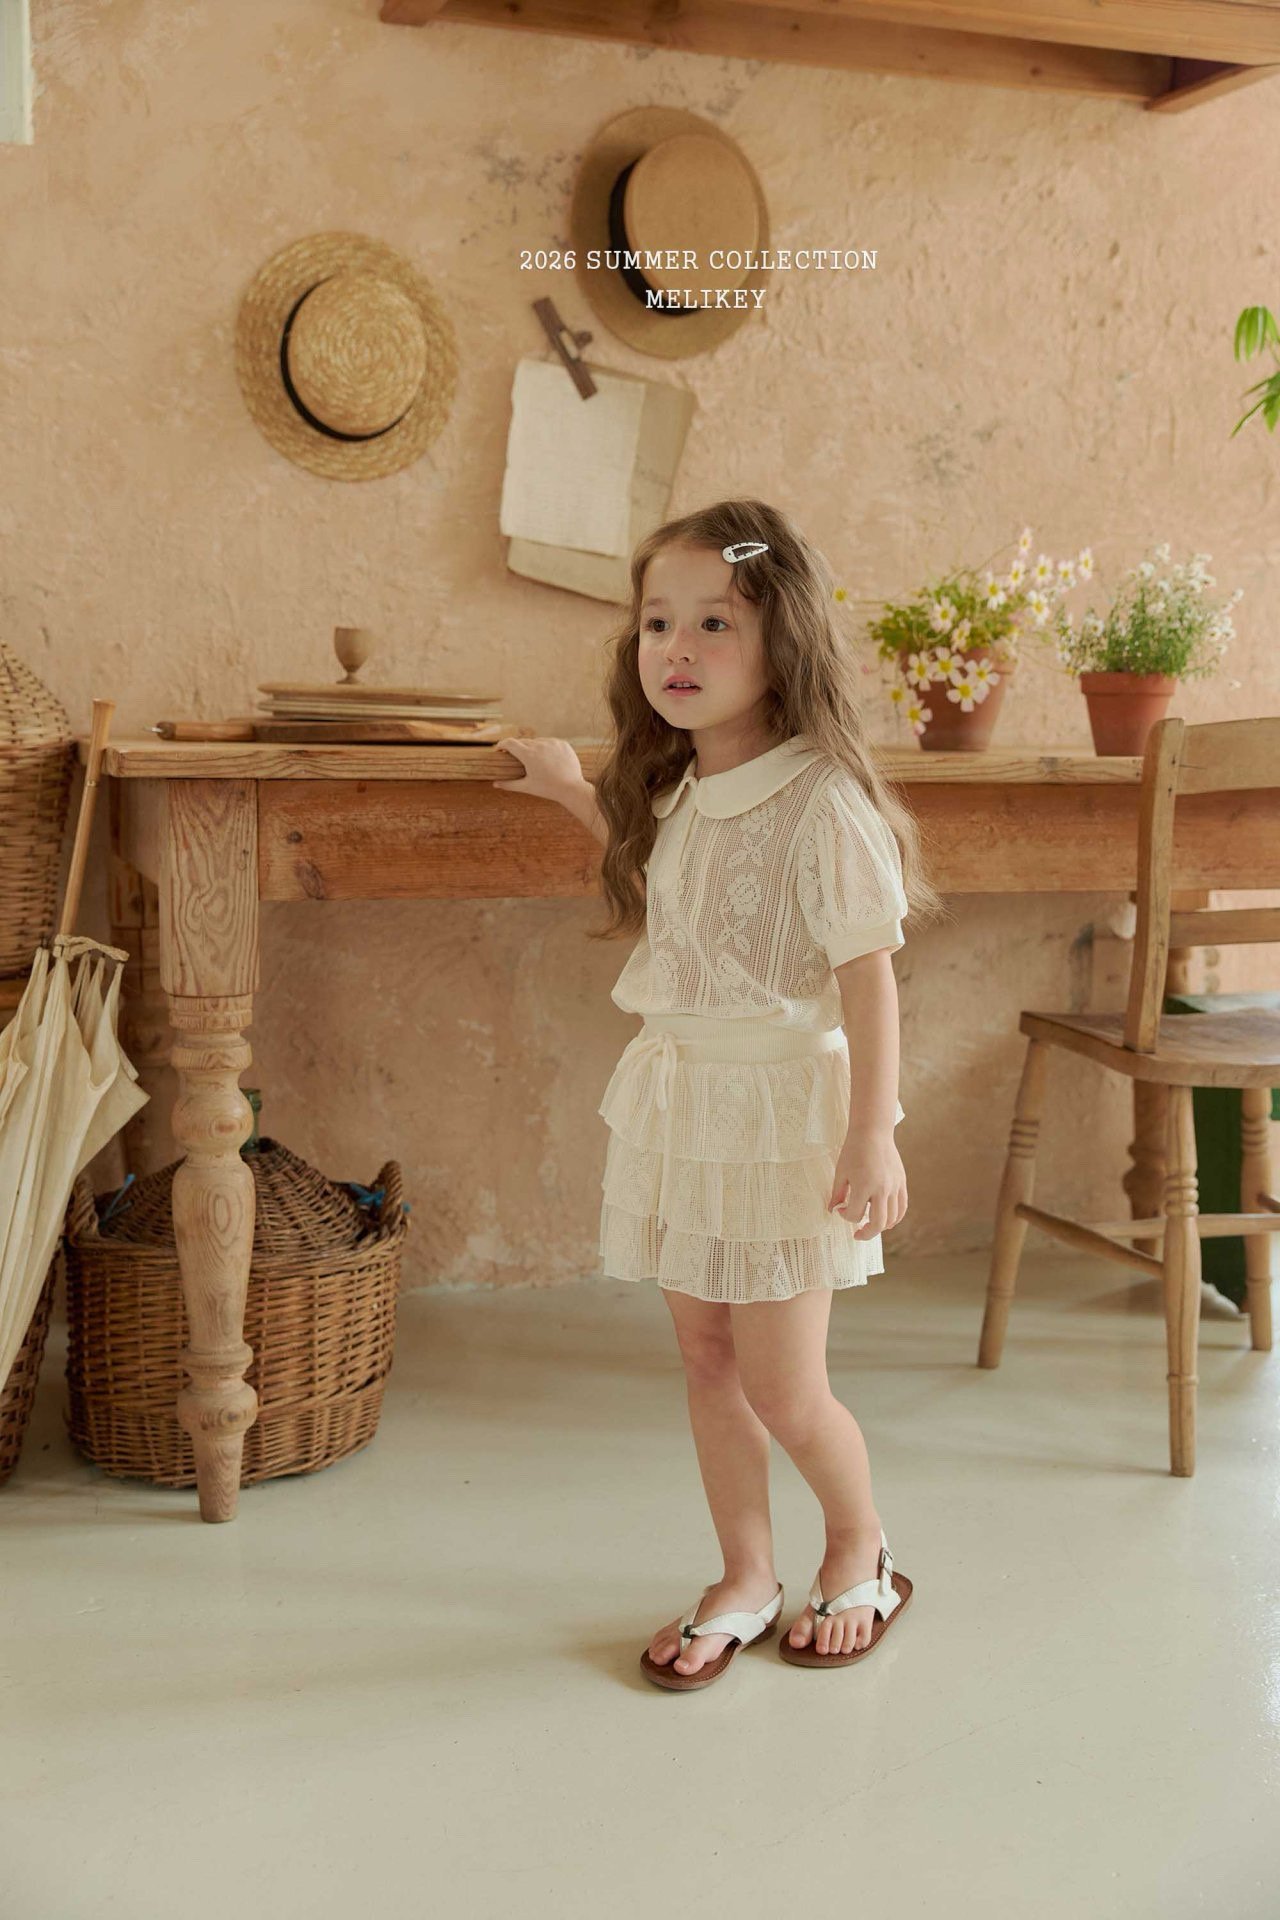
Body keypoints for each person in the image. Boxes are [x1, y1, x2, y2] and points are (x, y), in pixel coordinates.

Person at [492, 497, 941, 1692]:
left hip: (782, 1115)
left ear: (780, 644)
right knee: (706, 1358)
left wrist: (871, 1134)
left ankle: (859, 1544)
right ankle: (743, 1574)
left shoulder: (823, 801)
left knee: (784, 1383)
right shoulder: (685, 788)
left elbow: (869, 978)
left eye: (713, 623)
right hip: (684, 1105)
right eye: (656, 623)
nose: (675, 650)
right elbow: (674, 892)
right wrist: (566, 789)